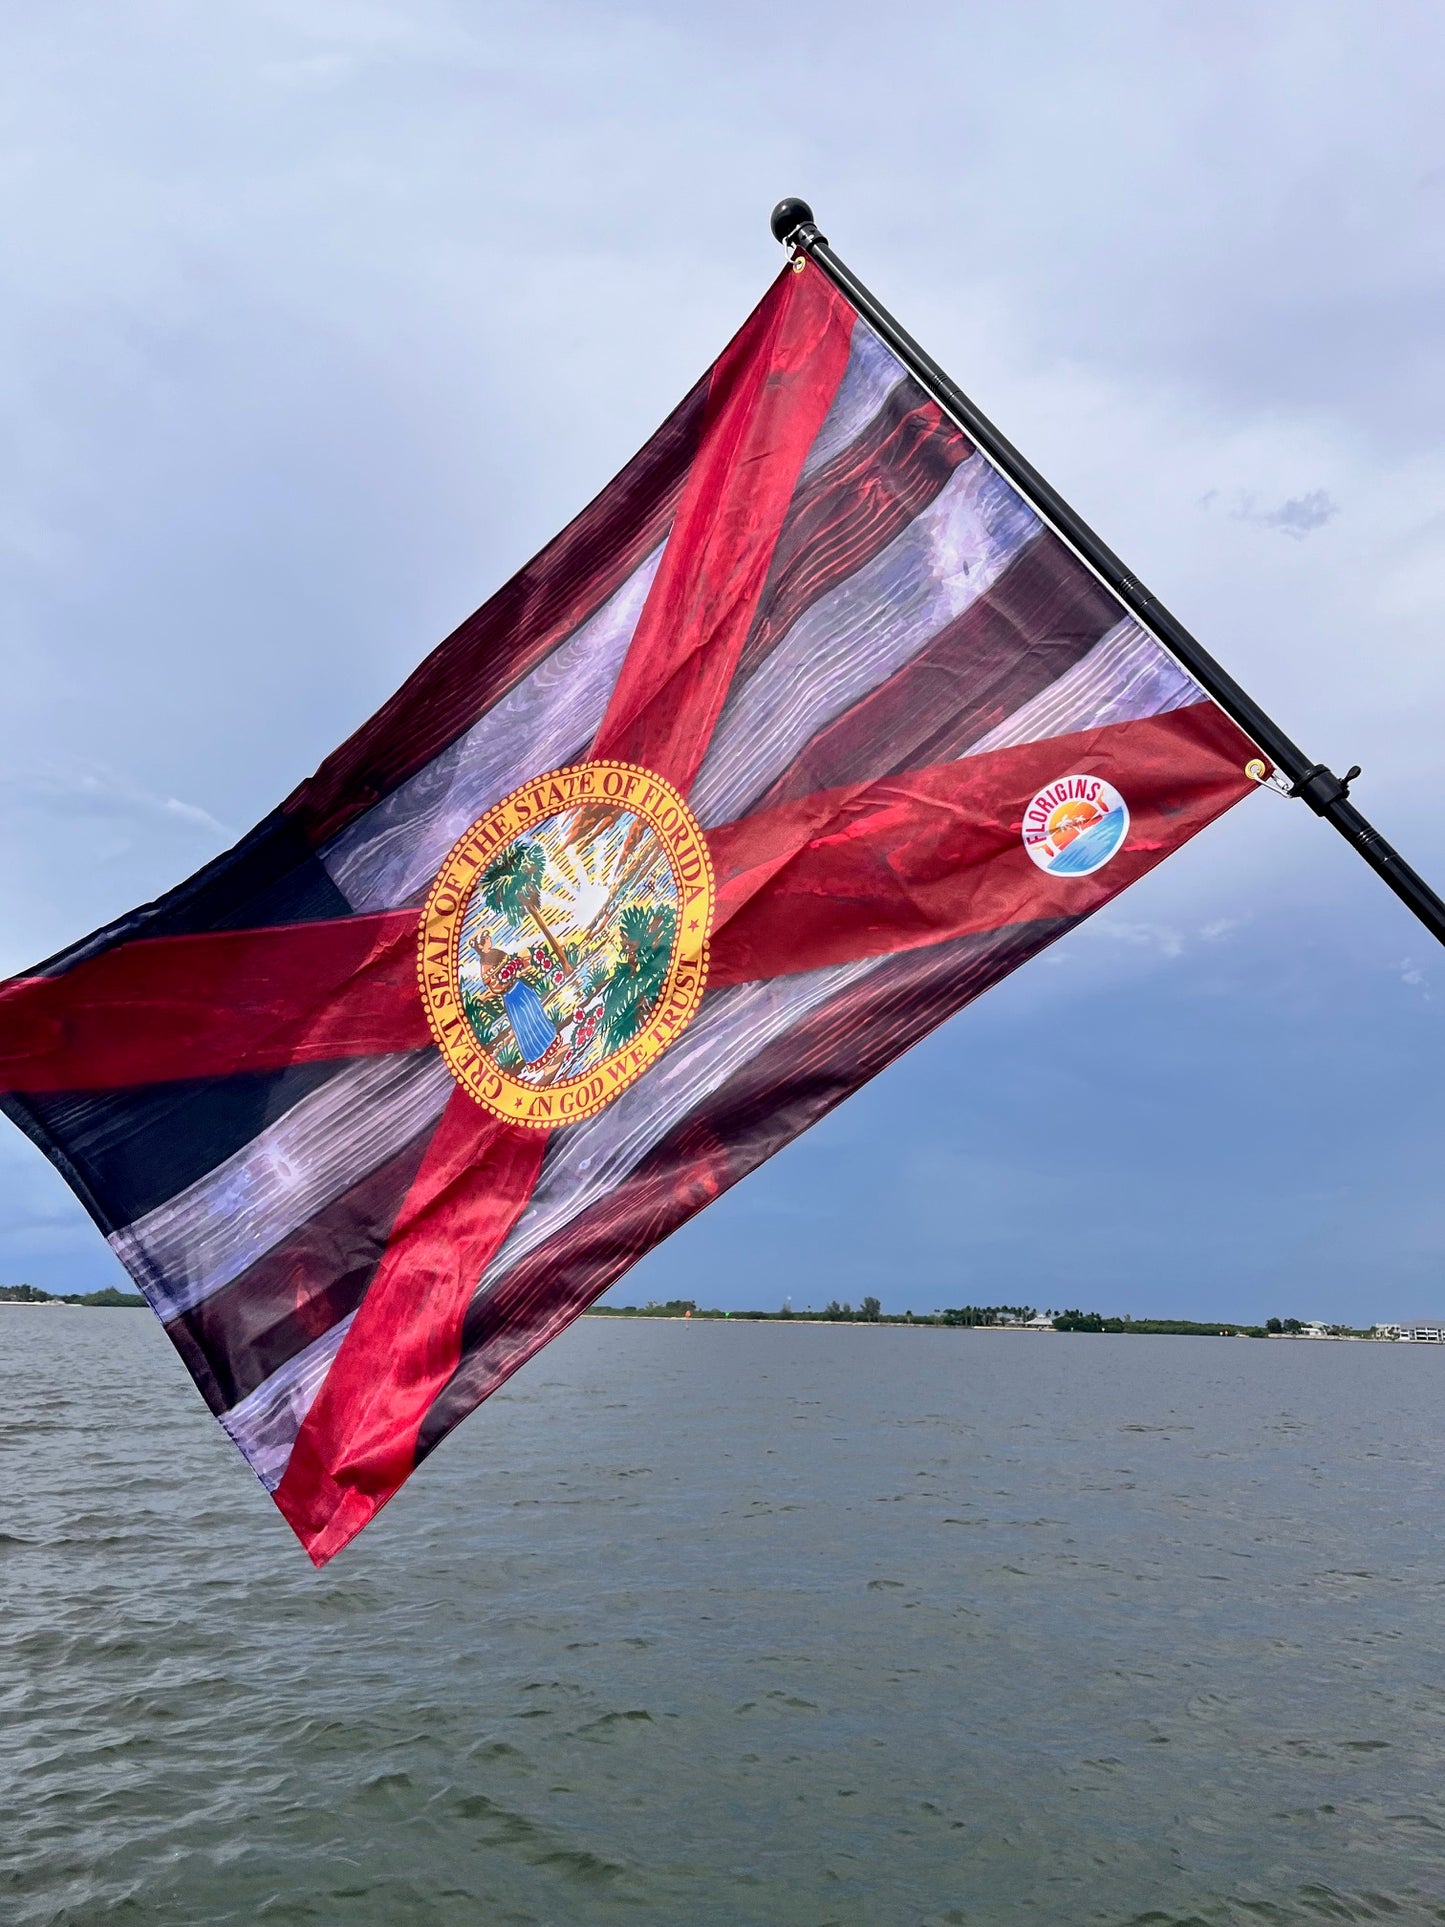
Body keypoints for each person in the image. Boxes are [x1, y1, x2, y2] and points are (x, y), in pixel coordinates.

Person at [470, 929, 558, 1065]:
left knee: (534, 1009)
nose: (489, 941)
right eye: (486, 940)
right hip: (510, 995)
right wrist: (505, 980)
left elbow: (513, 963)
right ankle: (538, 1056)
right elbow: (494, 986)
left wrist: (517, 968)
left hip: (519, 987)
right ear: (481, 946)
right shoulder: (485, 965)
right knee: (524, 1022)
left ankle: (550, 1043)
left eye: (488, 938)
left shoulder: (497, 953)